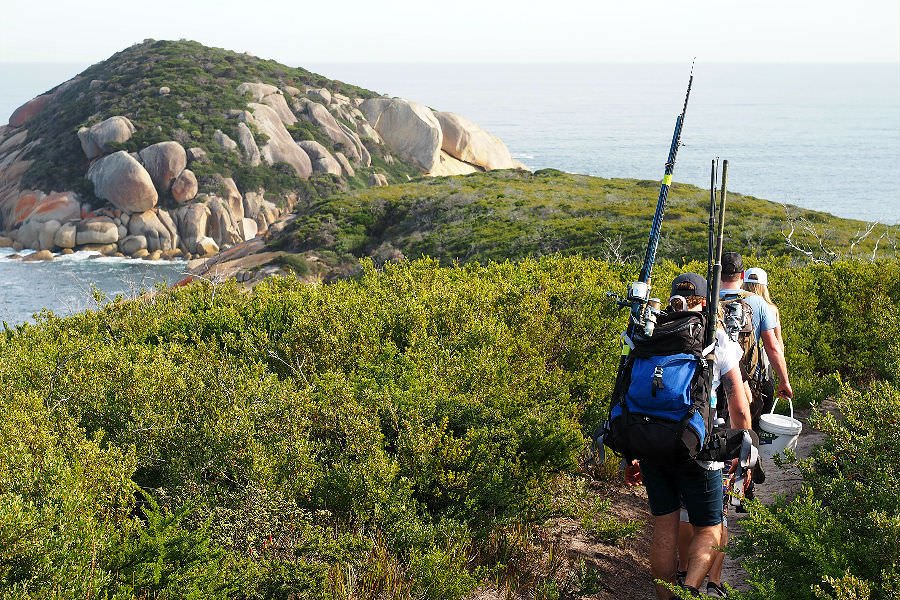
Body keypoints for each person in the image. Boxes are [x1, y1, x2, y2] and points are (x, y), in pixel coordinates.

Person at [625, 273, 753, 600]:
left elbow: (627, 395)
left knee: (664, 528)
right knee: (708, 526)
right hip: (700, 450)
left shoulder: (648, 334)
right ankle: (693, 587)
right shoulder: (716, 339)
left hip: (653, 445)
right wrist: (746, 450)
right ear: (705, 302)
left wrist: (632, 453)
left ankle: (666, 597)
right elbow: (738, 406)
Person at [720, 253, 793, 417]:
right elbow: (773, 347)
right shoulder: (759, 303)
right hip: (749, 378)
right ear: (742, 275)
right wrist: (784, 380)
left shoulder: (706, 300)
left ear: (719, 273)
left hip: (713, 379)